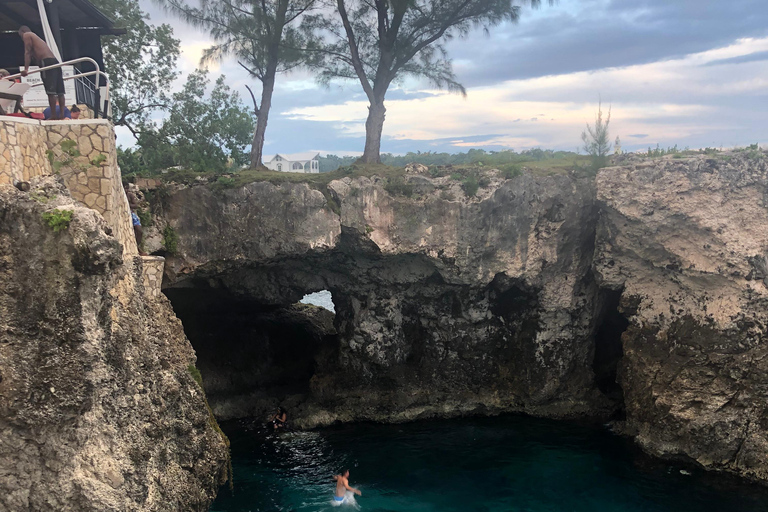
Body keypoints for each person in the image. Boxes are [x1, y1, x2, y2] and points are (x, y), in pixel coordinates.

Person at [18, 26, 66, 120]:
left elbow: (27, 52)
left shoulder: (27, 35)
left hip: (46, 62)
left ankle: (53, 115)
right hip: (54, 61)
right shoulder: (37, 39)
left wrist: (26, 69)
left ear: (22, 32)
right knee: (60, 91)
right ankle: (62, 115)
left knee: (50, 90)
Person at [124, 183, 147, 255]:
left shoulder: (129, 195)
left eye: (127, 188)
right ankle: (137, 249)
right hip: (124, 215)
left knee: (139, 231)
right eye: (125, 188)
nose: (126, 190)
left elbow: (136, 205)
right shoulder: (118, 195)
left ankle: (137, 246)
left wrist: (127, 204)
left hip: (131, 214)